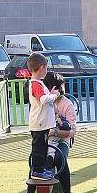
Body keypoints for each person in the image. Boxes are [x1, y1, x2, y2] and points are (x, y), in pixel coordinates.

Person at [21, 72, 81, 193]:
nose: (61, 91)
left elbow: (71, 131)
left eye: (62, 88)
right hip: (46, 139)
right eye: (59, 88)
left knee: (60, 159)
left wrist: (55, 132)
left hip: (61, 139)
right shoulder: (44, 103)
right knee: (37, 162)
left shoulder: (66, 104)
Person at [26, 52, 58, 182]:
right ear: (42, 68)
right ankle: (37, 171)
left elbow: (44, 97)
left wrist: (50, 94)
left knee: (42, 147)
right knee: (38, 148)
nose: (47, 71)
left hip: (42, 123)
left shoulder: (39, 83)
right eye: (46, 68)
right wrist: (54, 96)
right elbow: (44, 99)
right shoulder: (36, 84)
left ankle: (40, 169)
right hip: (39, 123)